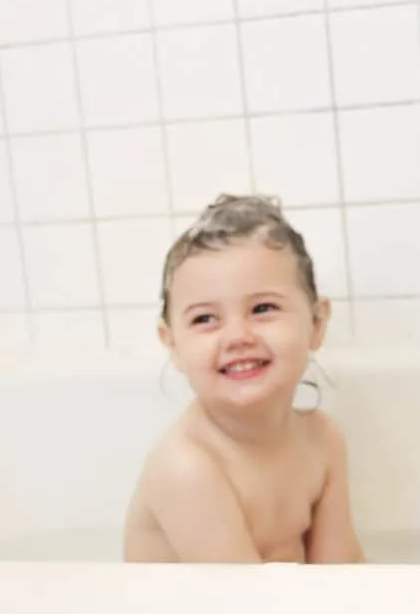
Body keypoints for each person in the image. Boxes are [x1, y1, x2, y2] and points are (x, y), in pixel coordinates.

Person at [123, 194, 365, 564]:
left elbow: (344, 574)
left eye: (262, 308)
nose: (237, 336)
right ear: (172, 343)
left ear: (317, 323)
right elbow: (243, 613)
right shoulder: (186, 469)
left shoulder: (322, 441)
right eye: (205, 319)